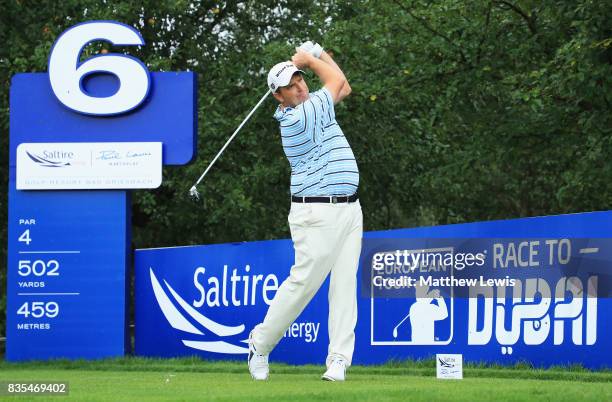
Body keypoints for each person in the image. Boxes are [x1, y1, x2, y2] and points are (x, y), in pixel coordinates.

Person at [248, 42, 362, 382]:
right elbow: (333, 81)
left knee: (344, 286)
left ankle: (339, 360)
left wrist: (322, 53)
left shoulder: (314, 103)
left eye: (300, 80)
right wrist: (312, 59)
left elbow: (343, 84)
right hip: (315, 214)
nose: (299, 87)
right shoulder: (296, 118)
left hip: (349, 209)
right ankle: (260, 343)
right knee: (302, 285)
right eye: (290, 86)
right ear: (278, 97)